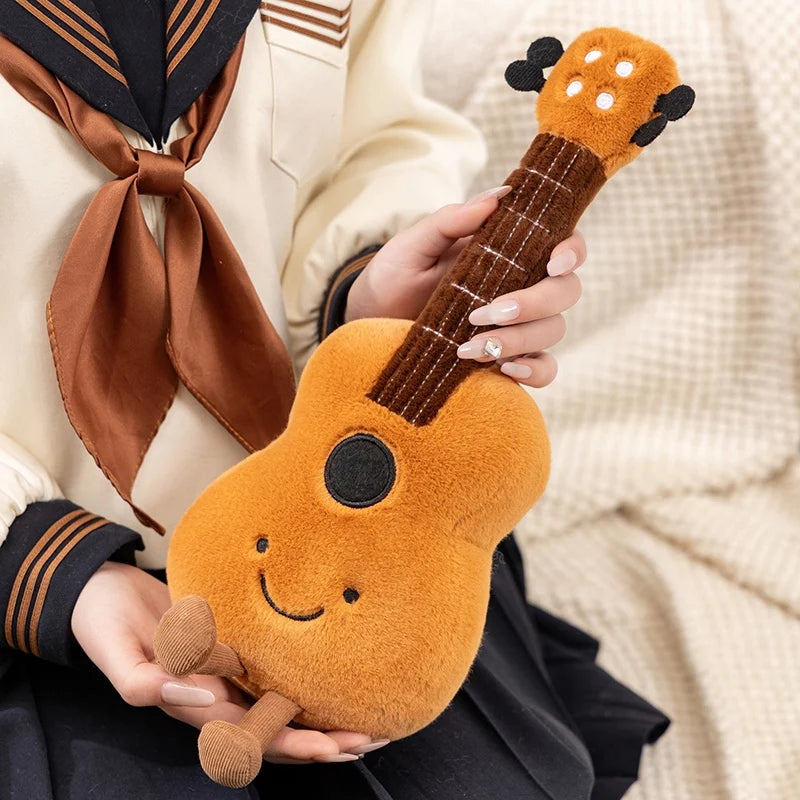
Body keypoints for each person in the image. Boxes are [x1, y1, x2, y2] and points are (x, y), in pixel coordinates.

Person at [0, 1, 667, 798]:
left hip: (333, 510)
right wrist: (49, 566)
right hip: (46, 561)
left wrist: (365, 298)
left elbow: (369, 144)